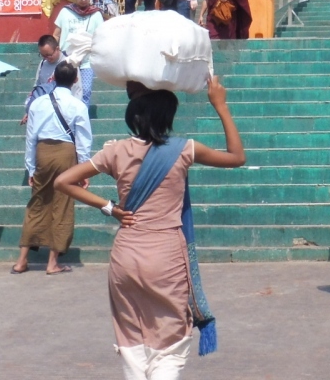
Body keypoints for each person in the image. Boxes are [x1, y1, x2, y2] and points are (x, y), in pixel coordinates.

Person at [54, 77, 244, 377]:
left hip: (126, 257)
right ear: (167, 116)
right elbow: (236, 157)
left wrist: (110, 208)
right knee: (169, 342)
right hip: (166, 255)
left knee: (132, 337)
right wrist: (220, 105)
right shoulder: (184, 149)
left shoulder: (115, 150)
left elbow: (62, 181)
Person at [12, 59, 92, 275]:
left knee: (37, 203)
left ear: (53, 77)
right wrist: (84, 168)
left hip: (42, 152)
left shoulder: (38, 104)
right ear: (75, 79)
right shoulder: (78, 105)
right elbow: (83, 140)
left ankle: (21, 261)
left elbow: (31, 137)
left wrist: (30, 167)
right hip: (66, 153)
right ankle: (52, 262)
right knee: (62, 204)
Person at [54, 0, 103, 104]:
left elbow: (101, 37)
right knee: (66, 90)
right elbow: (56, 34)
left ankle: (82, 114)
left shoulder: (96, 14)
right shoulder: (65, 12)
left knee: (85, 91)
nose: (83, 0)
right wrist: (55, 51)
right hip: (67, 59)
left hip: (87, 61)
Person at [23, 34, 64, 122]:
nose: (46, 58)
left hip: (61, 110)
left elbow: (77, 90)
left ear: (57, 49)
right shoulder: (43, 64)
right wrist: (29, 111)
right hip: (44, 110)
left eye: (49, 55)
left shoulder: (68, 64)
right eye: (43, 55)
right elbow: (37, 86)